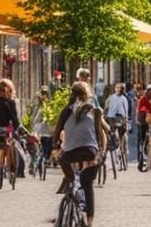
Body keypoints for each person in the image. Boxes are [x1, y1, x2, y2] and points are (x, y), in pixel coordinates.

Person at [52, 82, 105, 226]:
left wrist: (55, 148)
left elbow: (57, 131)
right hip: (89, 152)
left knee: (70, 176)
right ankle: (90, 221)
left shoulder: (66, 110)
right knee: (87, 184)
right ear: (87, 95)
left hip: (69, 153)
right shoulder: (93, 111)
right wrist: (102, 150)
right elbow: (102, 132)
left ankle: (70, 188)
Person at [135, 86, 151, 170]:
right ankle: (142, 155)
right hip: (144, 122)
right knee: (142, 139)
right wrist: (140, 121)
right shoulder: (143, 100)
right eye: (149, 92)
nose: (150, 93)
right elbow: (140, 112)